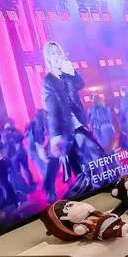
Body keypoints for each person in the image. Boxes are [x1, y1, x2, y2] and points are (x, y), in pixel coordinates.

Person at [40, 41, 104, 201]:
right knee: (83, 166)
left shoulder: (66, 73)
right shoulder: (48, 80)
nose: (57, 56)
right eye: (53, 53)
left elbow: (80, 84)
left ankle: (95, 191)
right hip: (66, 130)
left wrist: (71, 71)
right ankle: (83, 198)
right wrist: (55, 135)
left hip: (80, 124)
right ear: (48, 57)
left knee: (95, 159)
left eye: (58, 52)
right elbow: (52, 110)